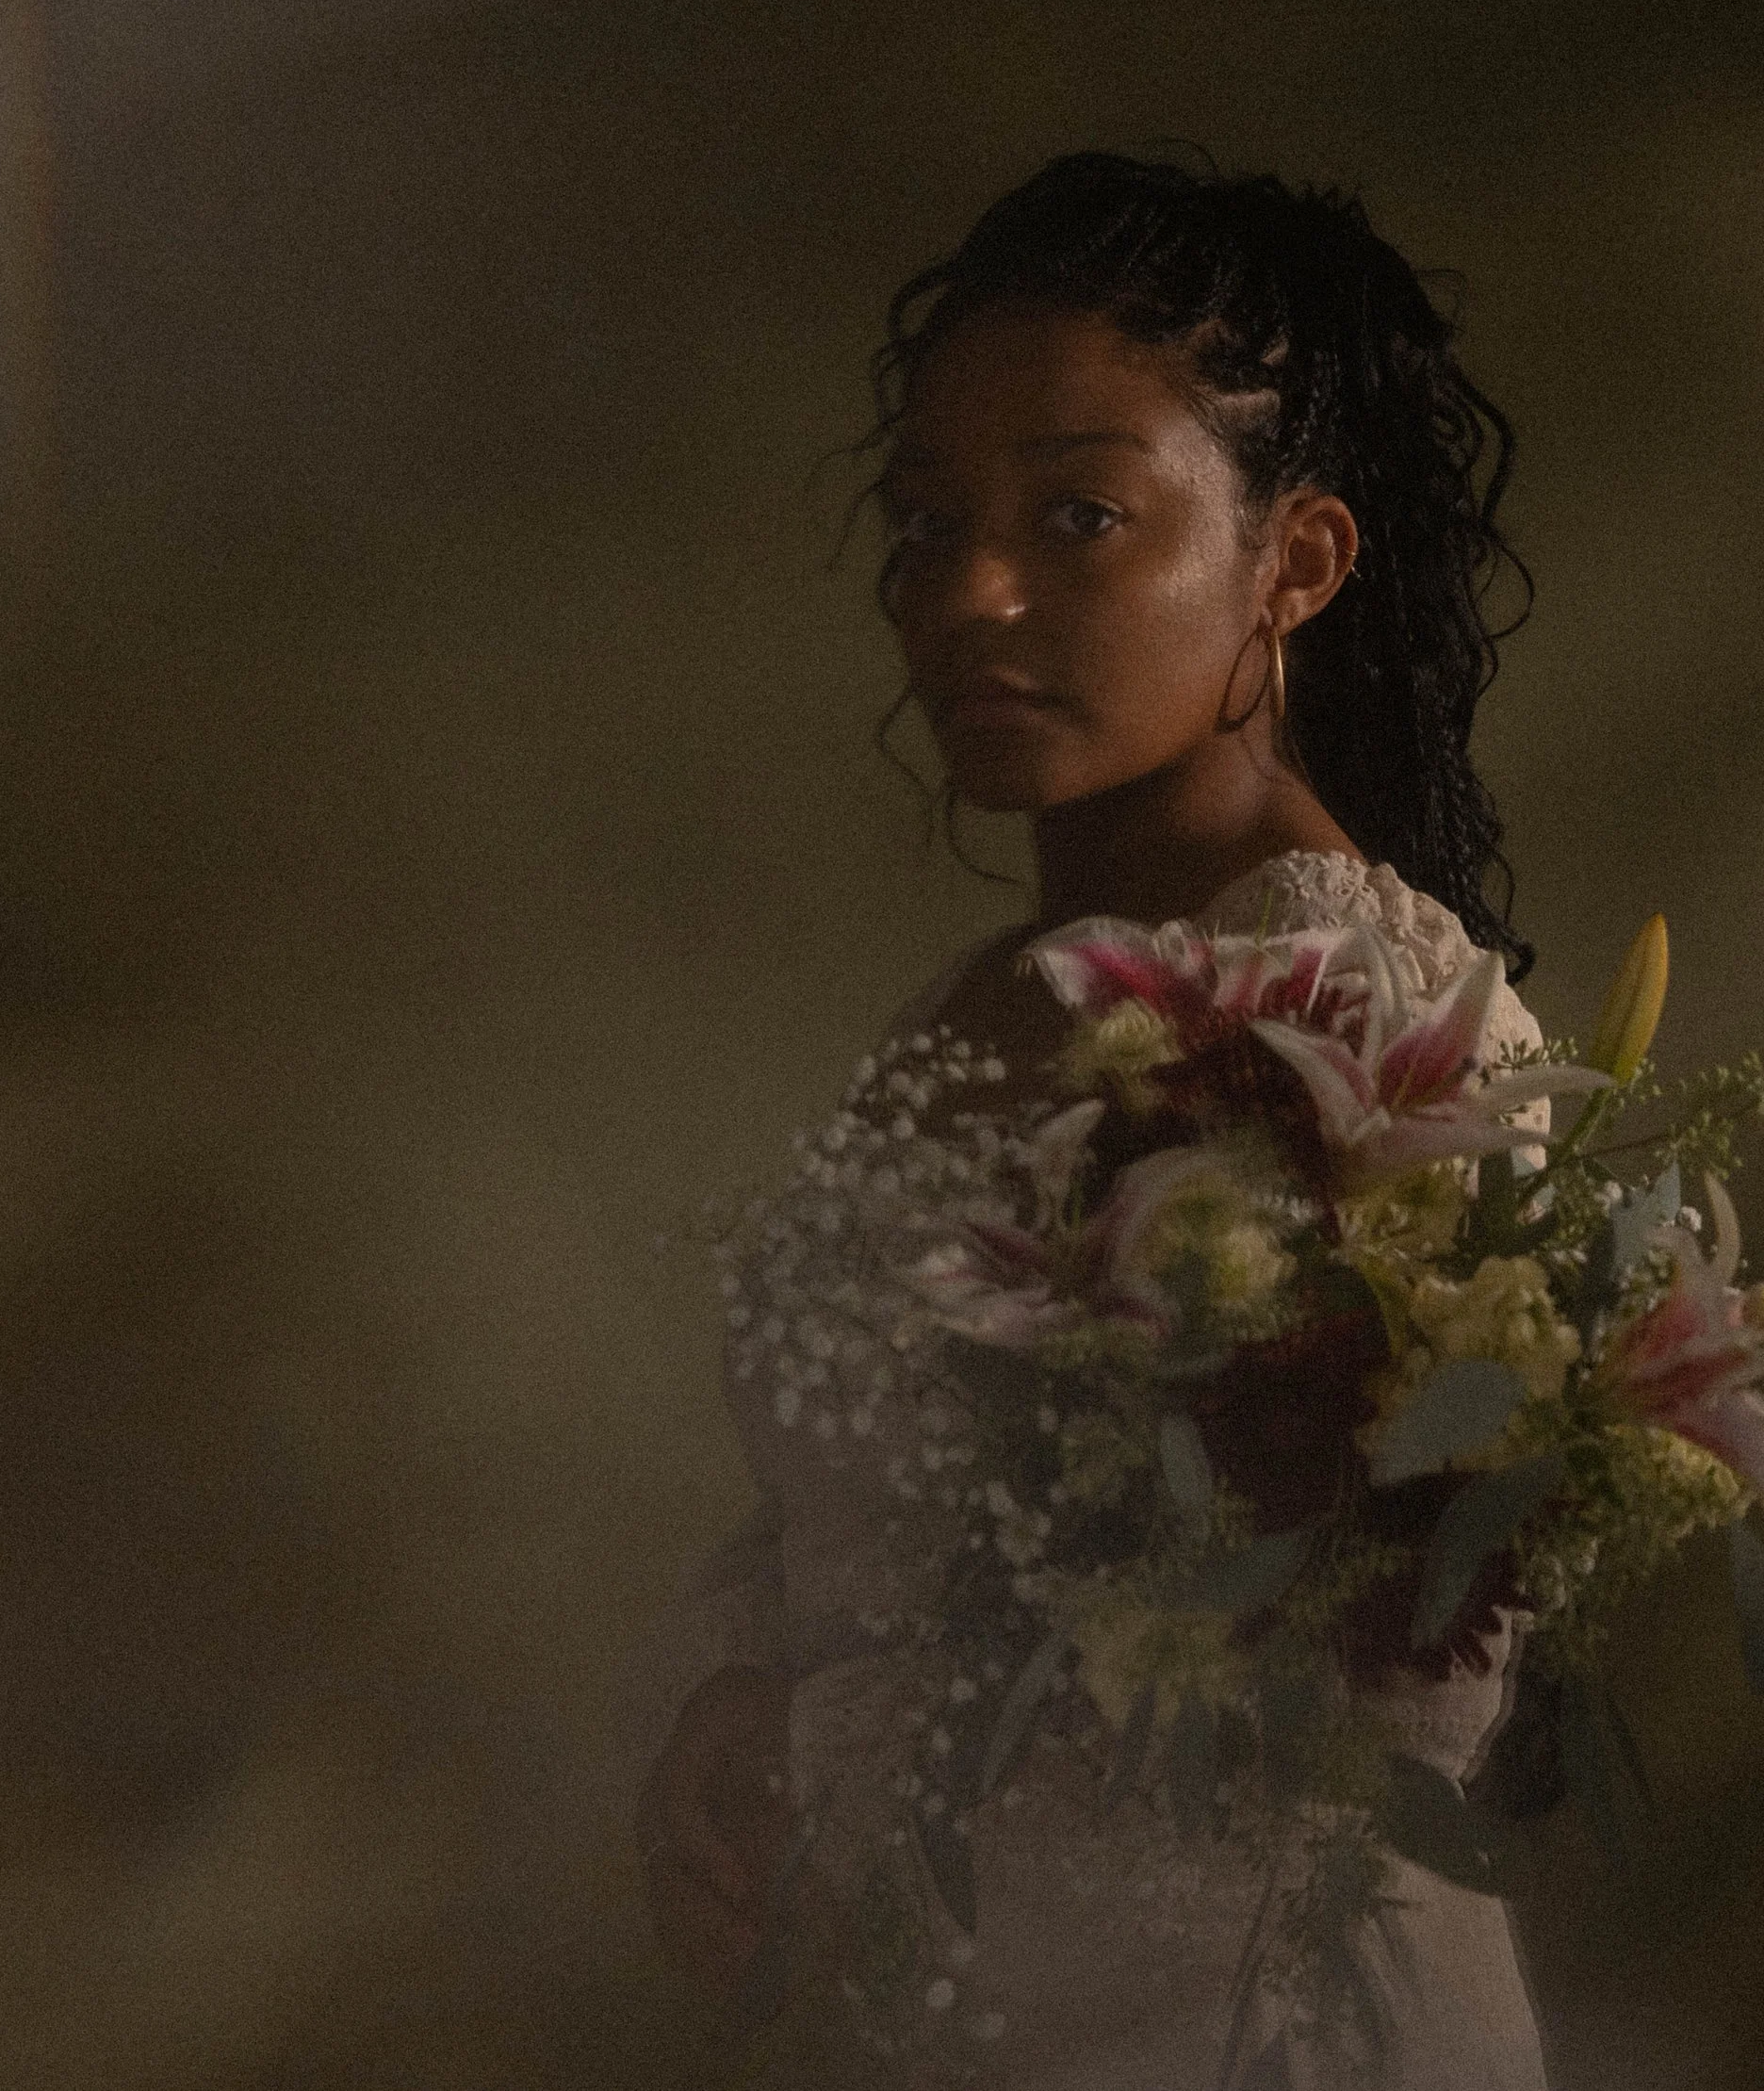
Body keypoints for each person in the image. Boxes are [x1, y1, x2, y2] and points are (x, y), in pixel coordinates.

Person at [637, 153, 1553, 2087]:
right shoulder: (970, 1011)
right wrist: (744, 1701)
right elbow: (872, 1500)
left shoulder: (1360, 1015)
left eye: (1075, 513)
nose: (968, 591)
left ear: (1291, 560)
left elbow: (1388, 1678)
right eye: (927, 524)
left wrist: (861, 1766)